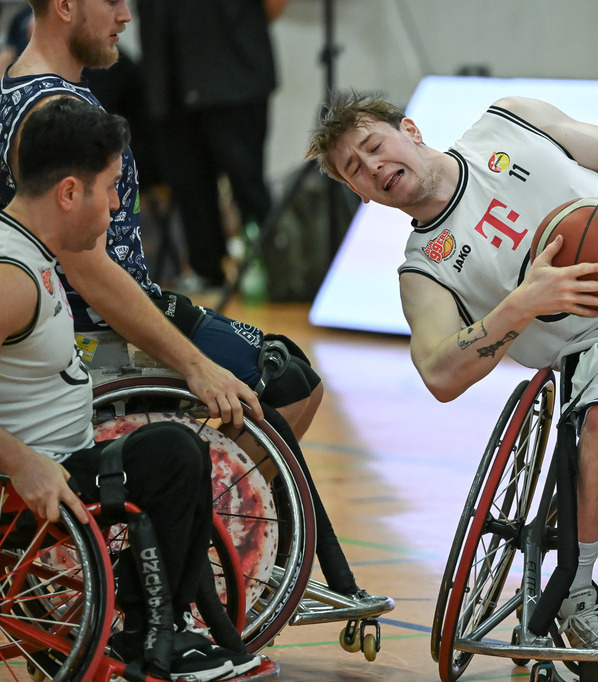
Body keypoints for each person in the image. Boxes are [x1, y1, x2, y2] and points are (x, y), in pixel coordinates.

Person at [307, 91, 598, 649]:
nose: (374, 166)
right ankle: (575, 590)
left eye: (375, 146)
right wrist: (522, 303)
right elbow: (439, 374)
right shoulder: (424, 268)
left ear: (412, 131)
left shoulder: (508, 122)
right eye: (356, 168)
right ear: (359, 193)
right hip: (593, 347)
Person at [0, 0, 387, 607]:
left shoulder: (23, 92)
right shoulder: (53, 108)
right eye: (112, 1)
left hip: (109, 303)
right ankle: (222, 553)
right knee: (286, 383)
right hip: (97, 322)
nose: (127, 15)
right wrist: (192, 363)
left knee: (282, 374)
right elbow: (86, 264)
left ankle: (218, 549)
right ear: (66, 5)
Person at [0, 97, 262, 681]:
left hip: (65, 462)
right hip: (31, 486)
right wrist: (22, 464)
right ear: (69, 192)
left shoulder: (38, 252)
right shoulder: (11, 276)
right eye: (112, 187)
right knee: (172, 457)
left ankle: (164, 628)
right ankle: (154, 636)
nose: (118, 203)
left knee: (175, 450)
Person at [135, 0, 287, 292]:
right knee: (188, 183)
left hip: (233, 72)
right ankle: (206, 270)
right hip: (169, 77)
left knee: (246, 181)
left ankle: (271, 272)